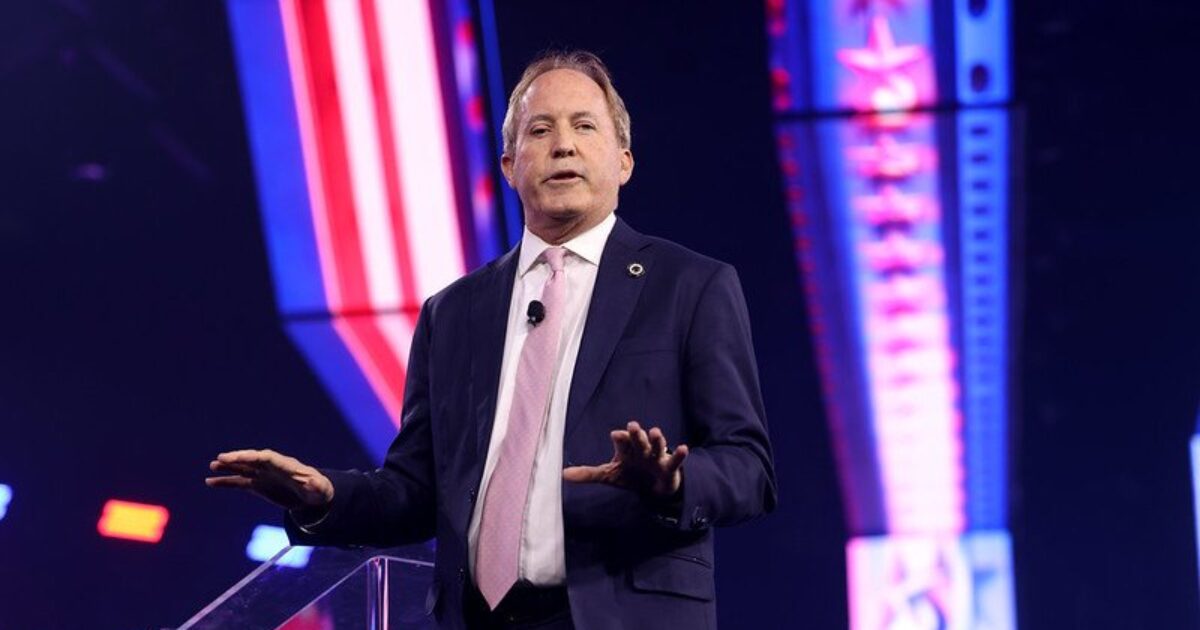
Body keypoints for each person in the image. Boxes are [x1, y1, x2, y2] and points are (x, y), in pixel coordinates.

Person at [208, 50, 776, 630]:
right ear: (508, 164)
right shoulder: (452, 313)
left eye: (584, 126)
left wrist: (671, 482)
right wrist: (324, 496)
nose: (563, 145)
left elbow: (748, 467)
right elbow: (416, 490)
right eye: (540, 129)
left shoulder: (690, 286)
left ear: (625, 161)